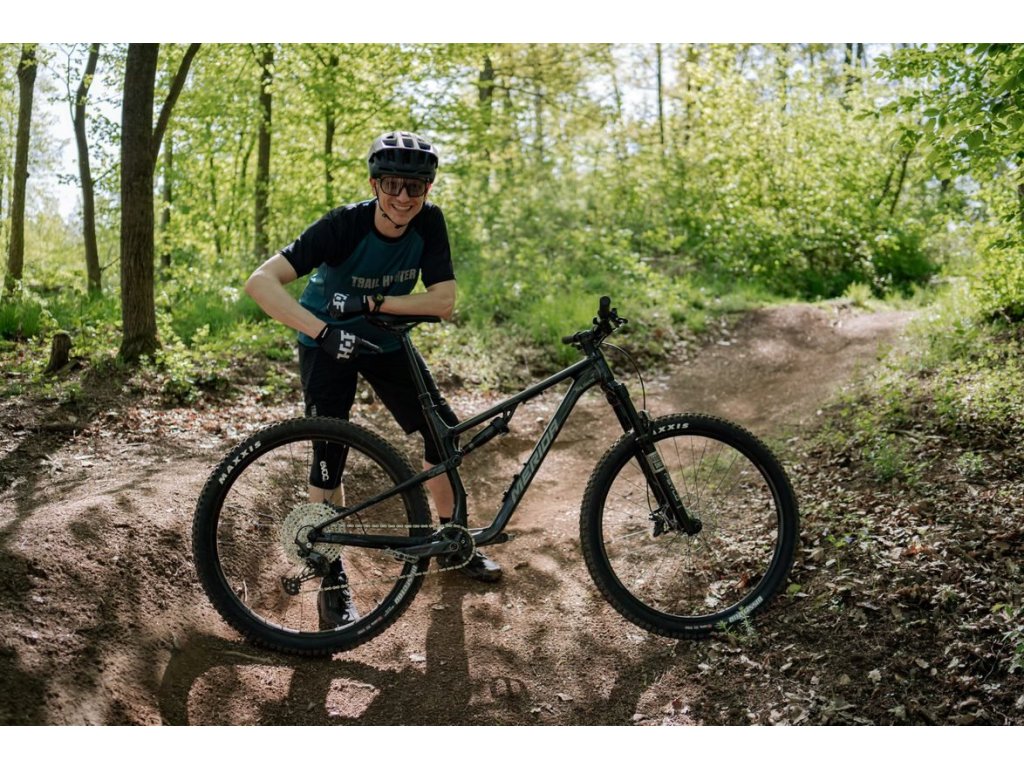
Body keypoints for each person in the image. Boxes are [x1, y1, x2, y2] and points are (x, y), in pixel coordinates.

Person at [245, 130, 502, 628]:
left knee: (442, 434)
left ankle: (452, 541)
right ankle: (331, 579)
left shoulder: (429, 222)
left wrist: (371, 303)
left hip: (384, 340)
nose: (403, 197)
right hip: (326, 342)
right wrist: (322, 332)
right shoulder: (342, 225)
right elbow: (260, 282)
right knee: (329, 453)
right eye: (392, 185)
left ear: (428, 189)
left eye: (415, 187)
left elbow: (444, 301)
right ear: (374, 184)